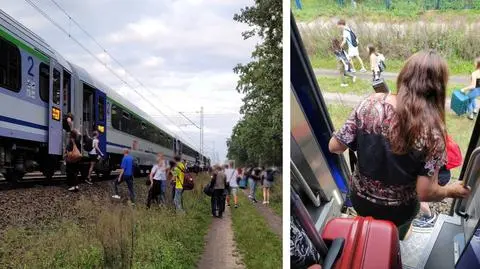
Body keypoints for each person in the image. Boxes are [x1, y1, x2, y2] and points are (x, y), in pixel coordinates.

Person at [328, 51, 471, 240]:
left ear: (403, 76)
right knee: (394, 237)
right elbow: (425, 192)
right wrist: (450, 190)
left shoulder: (370, 104)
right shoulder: (434, 134)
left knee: (371, 230)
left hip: (360, 200)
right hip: (399, 211)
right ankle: (394, 242)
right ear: (438, 89)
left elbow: (334, 147)